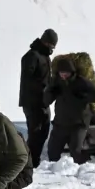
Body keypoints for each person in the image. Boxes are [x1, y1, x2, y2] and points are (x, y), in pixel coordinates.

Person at [44, 57, 95, 164]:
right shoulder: (56, 82)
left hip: (78, 123)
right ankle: (53, 175)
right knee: (52, 151)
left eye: (66, 72)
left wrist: (83, 97)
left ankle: (81, 173)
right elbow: (46, 101)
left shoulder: (81, 82)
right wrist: (50, 91)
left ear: (72, 71)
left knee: (76, 151)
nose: (64, 75)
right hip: (60, 123)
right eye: (62, 72)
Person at [19, 29, 58, 168]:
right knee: (35, 133)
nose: (52, 48)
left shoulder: (45, 56)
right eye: (51, 45)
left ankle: (34, 161)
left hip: (43, 101)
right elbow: (28, 80)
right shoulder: (31, 56)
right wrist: (43, 87)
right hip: (32, 102)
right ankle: (28, 163)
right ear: (45, 41)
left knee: (44, 131)